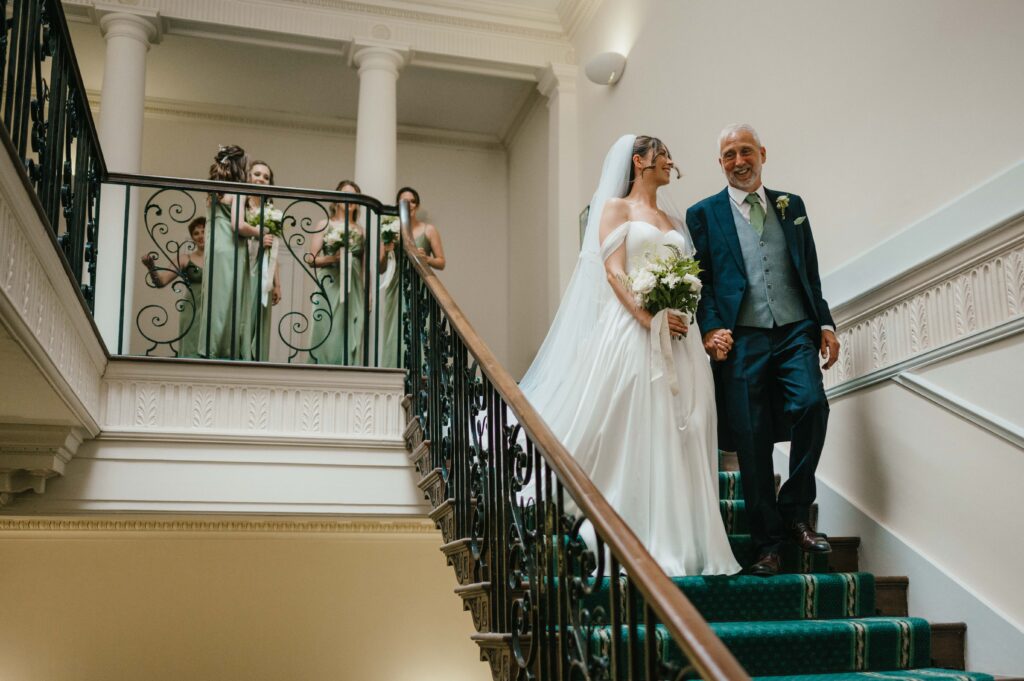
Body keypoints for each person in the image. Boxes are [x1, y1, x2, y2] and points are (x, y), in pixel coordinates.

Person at [518, 134, 740, 576]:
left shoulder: (674, 218)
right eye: (663, 157)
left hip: (679, 334)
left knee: (686, 427)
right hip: (634, 331)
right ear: (640, 162)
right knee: (641, 420)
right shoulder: (616, 210)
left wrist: (690, 326)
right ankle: (632, 528)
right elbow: (614, 270)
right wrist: (646, 317)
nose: (671, 165)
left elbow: (691, 277)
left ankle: (688, 539)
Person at [686, 124, 840, 576]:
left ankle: (795, 510)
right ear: (720, 163)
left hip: (795, 327)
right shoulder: (704, 214)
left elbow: (808, 271)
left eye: (746, 151)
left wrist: (825, 322)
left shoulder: (791, 206)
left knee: (813, 405)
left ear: (762, 154)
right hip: (741, 336)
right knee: (751, 439)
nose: (739, 160)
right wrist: (710, 328)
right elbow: (704, 282)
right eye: (729, 154)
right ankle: (766, 544)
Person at [198, 145, 269, 360]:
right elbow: (237, 225)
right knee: (233, 298)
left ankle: (209, 348)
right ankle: (228, 351)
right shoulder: (238, 190)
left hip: (214, 248)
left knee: (214, 299)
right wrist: (260, 231)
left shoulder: (214, 192)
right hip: (232, 249)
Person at [379, 186, 446, 368]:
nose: (408, 205)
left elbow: (441, 262)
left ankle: (418, 370)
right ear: (397, 205)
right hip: (396, 284)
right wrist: (386, 250)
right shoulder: (390, 229)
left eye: (412, 201)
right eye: (403, 202)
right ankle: (393, 367)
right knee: (395, 327)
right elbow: (380, 267)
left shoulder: (429, 230)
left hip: (419, 285)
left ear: (417, 205)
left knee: (418, 325)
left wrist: (427, 259)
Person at [307, 180, 367, 365]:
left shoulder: (361, 230)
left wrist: (367, 293)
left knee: (350, 327)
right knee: (326, 325)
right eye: (345, 194)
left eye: (354, 196)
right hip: (330, 282)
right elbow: (311, 259)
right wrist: (333, 259)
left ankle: (347, 368)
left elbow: (364, 266)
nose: (350, 199)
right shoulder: (324, 223)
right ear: (337, 199)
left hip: (353, 287)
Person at [140, 217, 206, 358]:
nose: (201, 236)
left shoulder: (220, 257)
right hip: (192, 311)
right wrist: (151, 267)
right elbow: (161, 281)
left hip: (214, 311)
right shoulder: (184, 258)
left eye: (204, 231)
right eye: (196, 233)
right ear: (192, 237)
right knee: (191, 352)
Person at [245, 160, 283, 361]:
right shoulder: (241, 206)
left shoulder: (271, 211)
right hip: (245, 267)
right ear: (248, 176)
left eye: (266, 177)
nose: (261, 179)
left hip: (265, 269)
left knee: (260, 317)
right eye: (257, 174)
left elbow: (274, 248)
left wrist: (277, 283)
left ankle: (256, 360)